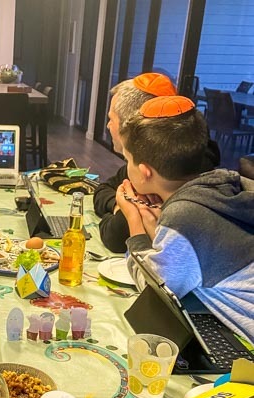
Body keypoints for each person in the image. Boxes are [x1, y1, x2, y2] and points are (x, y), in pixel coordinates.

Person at [116, 95, 254, 343]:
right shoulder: (223, 183)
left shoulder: (186, 216)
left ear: (145, 172)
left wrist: (134, 223)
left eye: (128, 159)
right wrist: (158, 230)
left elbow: (156, 296)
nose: (127, 164)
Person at [94, 73, 220, 253]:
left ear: (133, 125)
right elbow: (102, 189)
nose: (108, 126)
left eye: (111, 119)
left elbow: (114, 237)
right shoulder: (160, 163)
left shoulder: (170, 177)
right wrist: (118, 206)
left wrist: (130, 215)